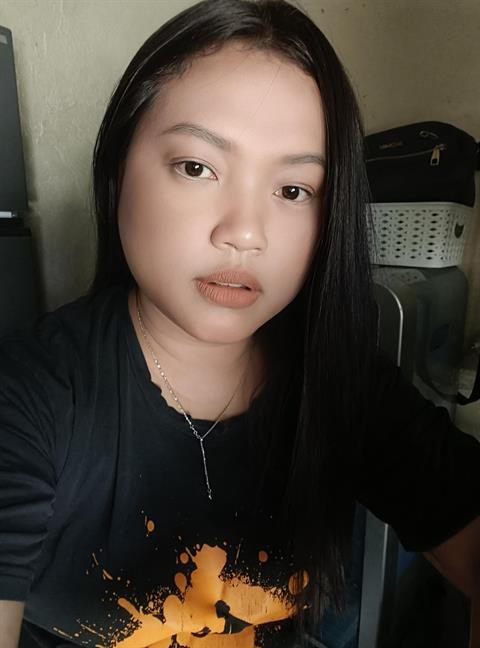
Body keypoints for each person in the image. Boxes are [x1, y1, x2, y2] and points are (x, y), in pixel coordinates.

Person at [0, 1, 479, 647]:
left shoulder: (341, 385)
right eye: (197, 167)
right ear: (117, 169)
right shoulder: (28, 396)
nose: (246, 233)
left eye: (294, 190)